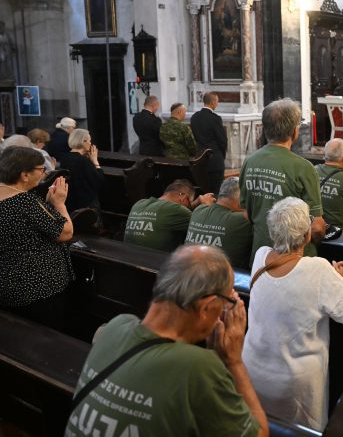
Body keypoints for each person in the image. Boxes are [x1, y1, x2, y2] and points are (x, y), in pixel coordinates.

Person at [66, 245, 268, 436]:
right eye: (227, 302)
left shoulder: (114, 327)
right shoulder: (198, 367)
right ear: (207, 308)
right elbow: (259, 433)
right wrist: (233, 361)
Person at [243, 197, 343, 431]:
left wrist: (331, 280)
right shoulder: (318, 269)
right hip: (293, 387)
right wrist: (335, 280)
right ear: (307, 235)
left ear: (273, 232)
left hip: (253, 372)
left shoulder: (261, 256)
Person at [240, 98, 324, 259]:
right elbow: (317, 228)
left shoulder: (250, 161)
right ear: (295, 131)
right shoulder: (304, 168)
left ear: (265, 129)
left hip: (261, 255)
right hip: (295, 258)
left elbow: (246, 214)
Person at [0, 147, 74, 328]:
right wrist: (59, 203)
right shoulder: (24, 202)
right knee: (46, 339)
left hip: (7, 284)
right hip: (38, 288)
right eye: (41, 169)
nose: (45, 173)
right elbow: (65, 233)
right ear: (25, 175)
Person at [124, 179, 215, 252]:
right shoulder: (177, 210)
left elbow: (171, 211)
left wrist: (192, 204)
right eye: (189, 203)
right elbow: (206, 226)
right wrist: (206, 205)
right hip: (156, 267)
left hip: (127, 260)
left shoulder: (139, 203)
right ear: (184, 199)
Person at [185, 177, 252, 270]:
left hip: (188, 272)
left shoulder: (198, 210)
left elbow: (211, 209)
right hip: (222, 279)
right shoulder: (243, 220)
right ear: (241, 201)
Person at [58, 128, 104, 212]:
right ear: (84, 141)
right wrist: (95, 161)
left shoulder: (65, 158)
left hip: (70, 202)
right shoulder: (82, 160)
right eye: (89, 141)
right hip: (84, 205)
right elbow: (98, 180)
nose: (90, 143)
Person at [191, 92, 228, 195]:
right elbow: (222, 140)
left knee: (203, 190)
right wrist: (222, 155)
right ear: (212, 102)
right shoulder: (215, 118)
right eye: (217, 101)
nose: (217, 104)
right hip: (214, 160)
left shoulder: (195, 117)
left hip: (200, 160)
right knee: (215, 190)